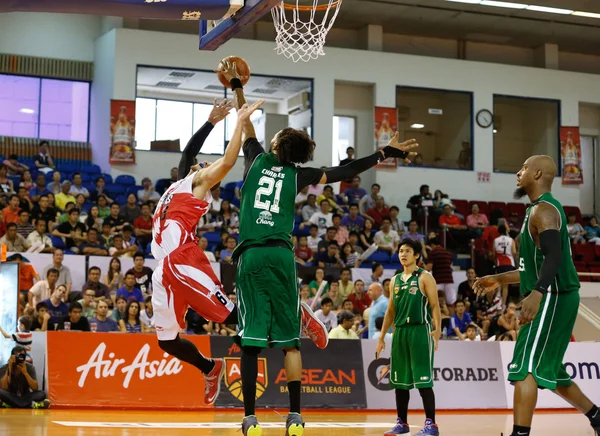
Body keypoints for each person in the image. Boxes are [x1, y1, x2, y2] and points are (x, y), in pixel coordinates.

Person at [222, 57, 418, 436]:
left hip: (251, 254)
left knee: (249, 343)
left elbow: (244, 119)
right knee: (290, 343)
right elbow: (346, 172)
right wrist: (383, 153)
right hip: (281, 255)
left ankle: (250, 418)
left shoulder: (257, 158)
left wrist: (235, 85)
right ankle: (295, 417)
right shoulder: (301, 174)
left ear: (277, 145)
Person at [474, 155, 600, 436]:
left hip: (553, 295)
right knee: (549, 370)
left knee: (525, 367)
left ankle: (520, 433)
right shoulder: (536, 210)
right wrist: (498, 278)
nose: (518, 173)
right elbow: (532, 269)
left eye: (523, 169)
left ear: (538, 173)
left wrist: (537, 293)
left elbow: (554, 257)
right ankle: (597, 416)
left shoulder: (544, 210)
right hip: (555, 294)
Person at [377, 239, 441, 436]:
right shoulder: (395, 281)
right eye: (401, 251)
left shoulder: (425, 277)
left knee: (423, 381)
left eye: (408, 251)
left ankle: (431, 425)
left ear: (417, 256)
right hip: (400, 333)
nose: (403, 254)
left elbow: (434, 305)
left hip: (420, 331)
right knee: (399, 381)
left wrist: (437, 329)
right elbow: (389, 312)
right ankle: (402, 423)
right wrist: (381, 337)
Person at [493, 224, 518, 306]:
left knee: (498, 284)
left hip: (499, 263)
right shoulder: (511, 240)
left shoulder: (496, 240)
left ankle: (497, 302)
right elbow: (514, 253)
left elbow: (494, 254)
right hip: (509, 264)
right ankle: (503, 305)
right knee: (505, 286)